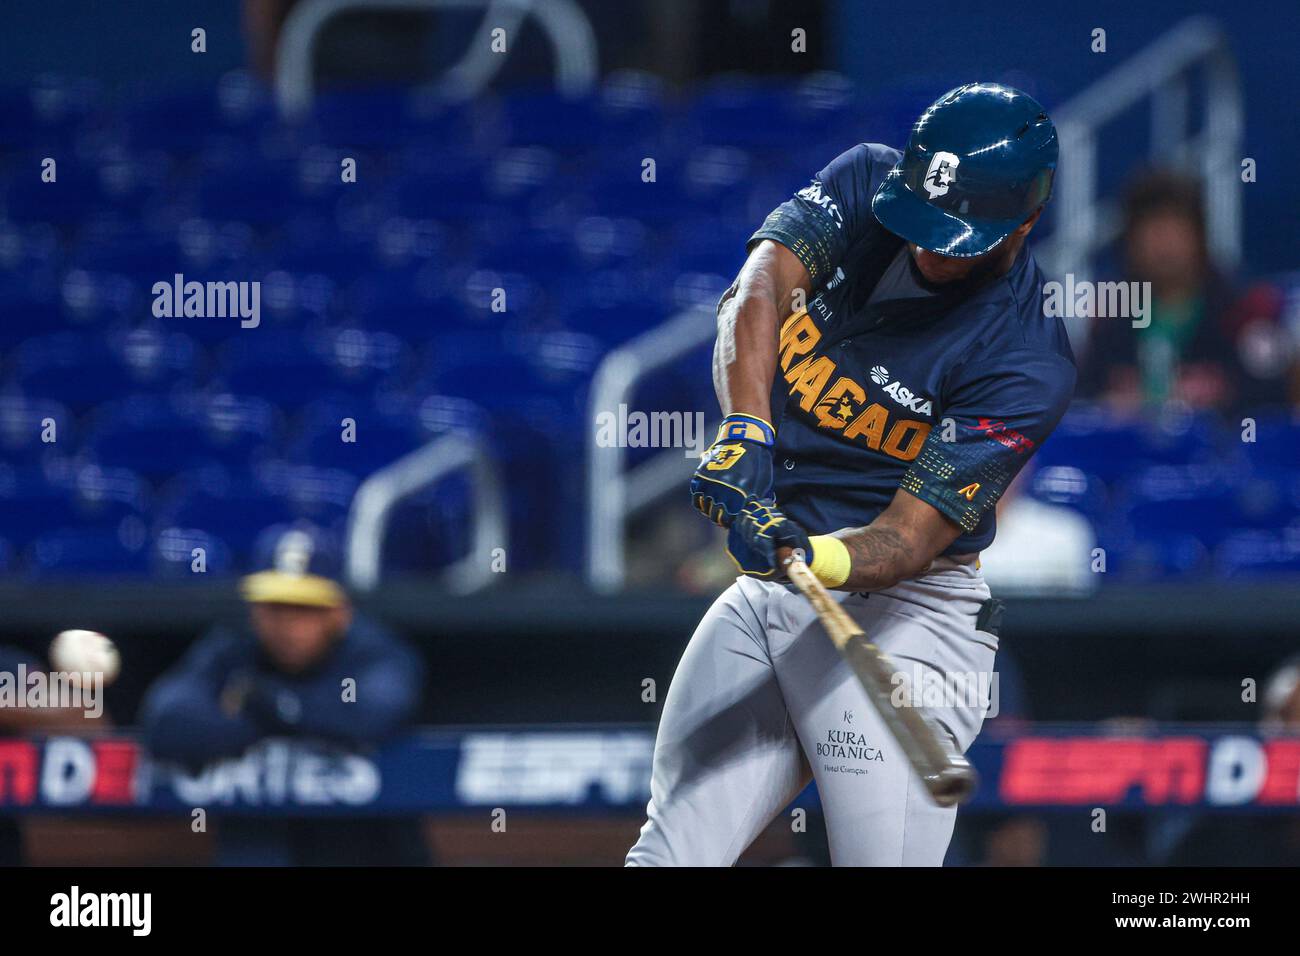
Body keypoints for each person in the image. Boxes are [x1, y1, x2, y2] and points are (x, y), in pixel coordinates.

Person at [626, 84, 1076, 866]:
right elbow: (757, 290)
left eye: (957, 235)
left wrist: (811, 553)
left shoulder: (1027, 358)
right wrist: (747, 431)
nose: (931, 248)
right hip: (774, 597)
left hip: (908, 615)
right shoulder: (868, 183)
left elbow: (905, 540)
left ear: (1024, 222)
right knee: (669, 854)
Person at [140, 524, 428, 866]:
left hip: (365, 847)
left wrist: (271, 707)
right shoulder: (234, 647)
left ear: (339, 612)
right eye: (275, 608)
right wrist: (265, 724)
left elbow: (373, 714)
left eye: (304, 610)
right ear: (255, 612)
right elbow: (166, 719)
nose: (288, 627)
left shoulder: (373, 651)